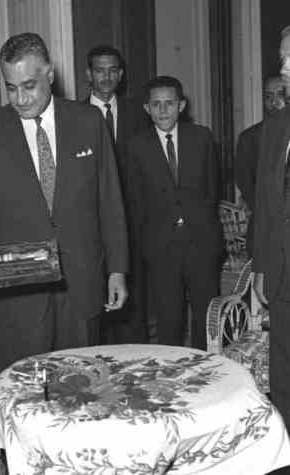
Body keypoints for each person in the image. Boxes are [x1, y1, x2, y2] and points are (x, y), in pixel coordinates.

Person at [0, 32, 129, 374]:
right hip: (16, 294)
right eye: (11, 88)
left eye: (29, 86)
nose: (20, 98)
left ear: (50, 74)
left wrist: (117, 269)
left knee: (82, 387)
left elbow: (109, 200)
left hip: (81, 284)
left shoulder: (88, 122)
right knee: (22, 390)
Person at [125, 75, 223, 351]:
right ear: (147, 108)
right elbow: (136, 200)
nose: (163, 110)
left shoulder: (201, 137)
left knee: (206, 315)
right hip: (161, 246)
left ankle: (207, 366)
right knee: (169, 318)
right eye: (156, 104)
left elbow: (212, 189)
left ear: (181, 105)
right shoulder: (137, 146)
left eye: (169, 103)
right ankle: (173, 369)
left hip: (201, 242)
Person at [85, 45, 149, 344]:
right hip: (92, 224)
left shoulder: (139, 113)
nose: (106, 77)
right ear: (89, 74)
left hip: (134, 223)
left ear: (121, 75)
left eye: (112, 70)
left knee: (133, 305)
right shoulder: (75, 116)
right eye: (100, 70)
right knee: (96, 305)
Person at [254, 26, 290, 471]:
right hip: (281, 275)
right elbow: (265, 203)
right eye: (282, 58)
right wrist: (262, 267)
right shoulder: (276, 126)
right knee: (283, 374)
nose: (284, 68)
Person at [235, 75, 288, 256]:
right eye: (268, 96)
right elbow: (246, 184)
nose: (274, 102)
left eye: (281, 95)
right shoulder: (250, 138)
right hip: (266, 229)